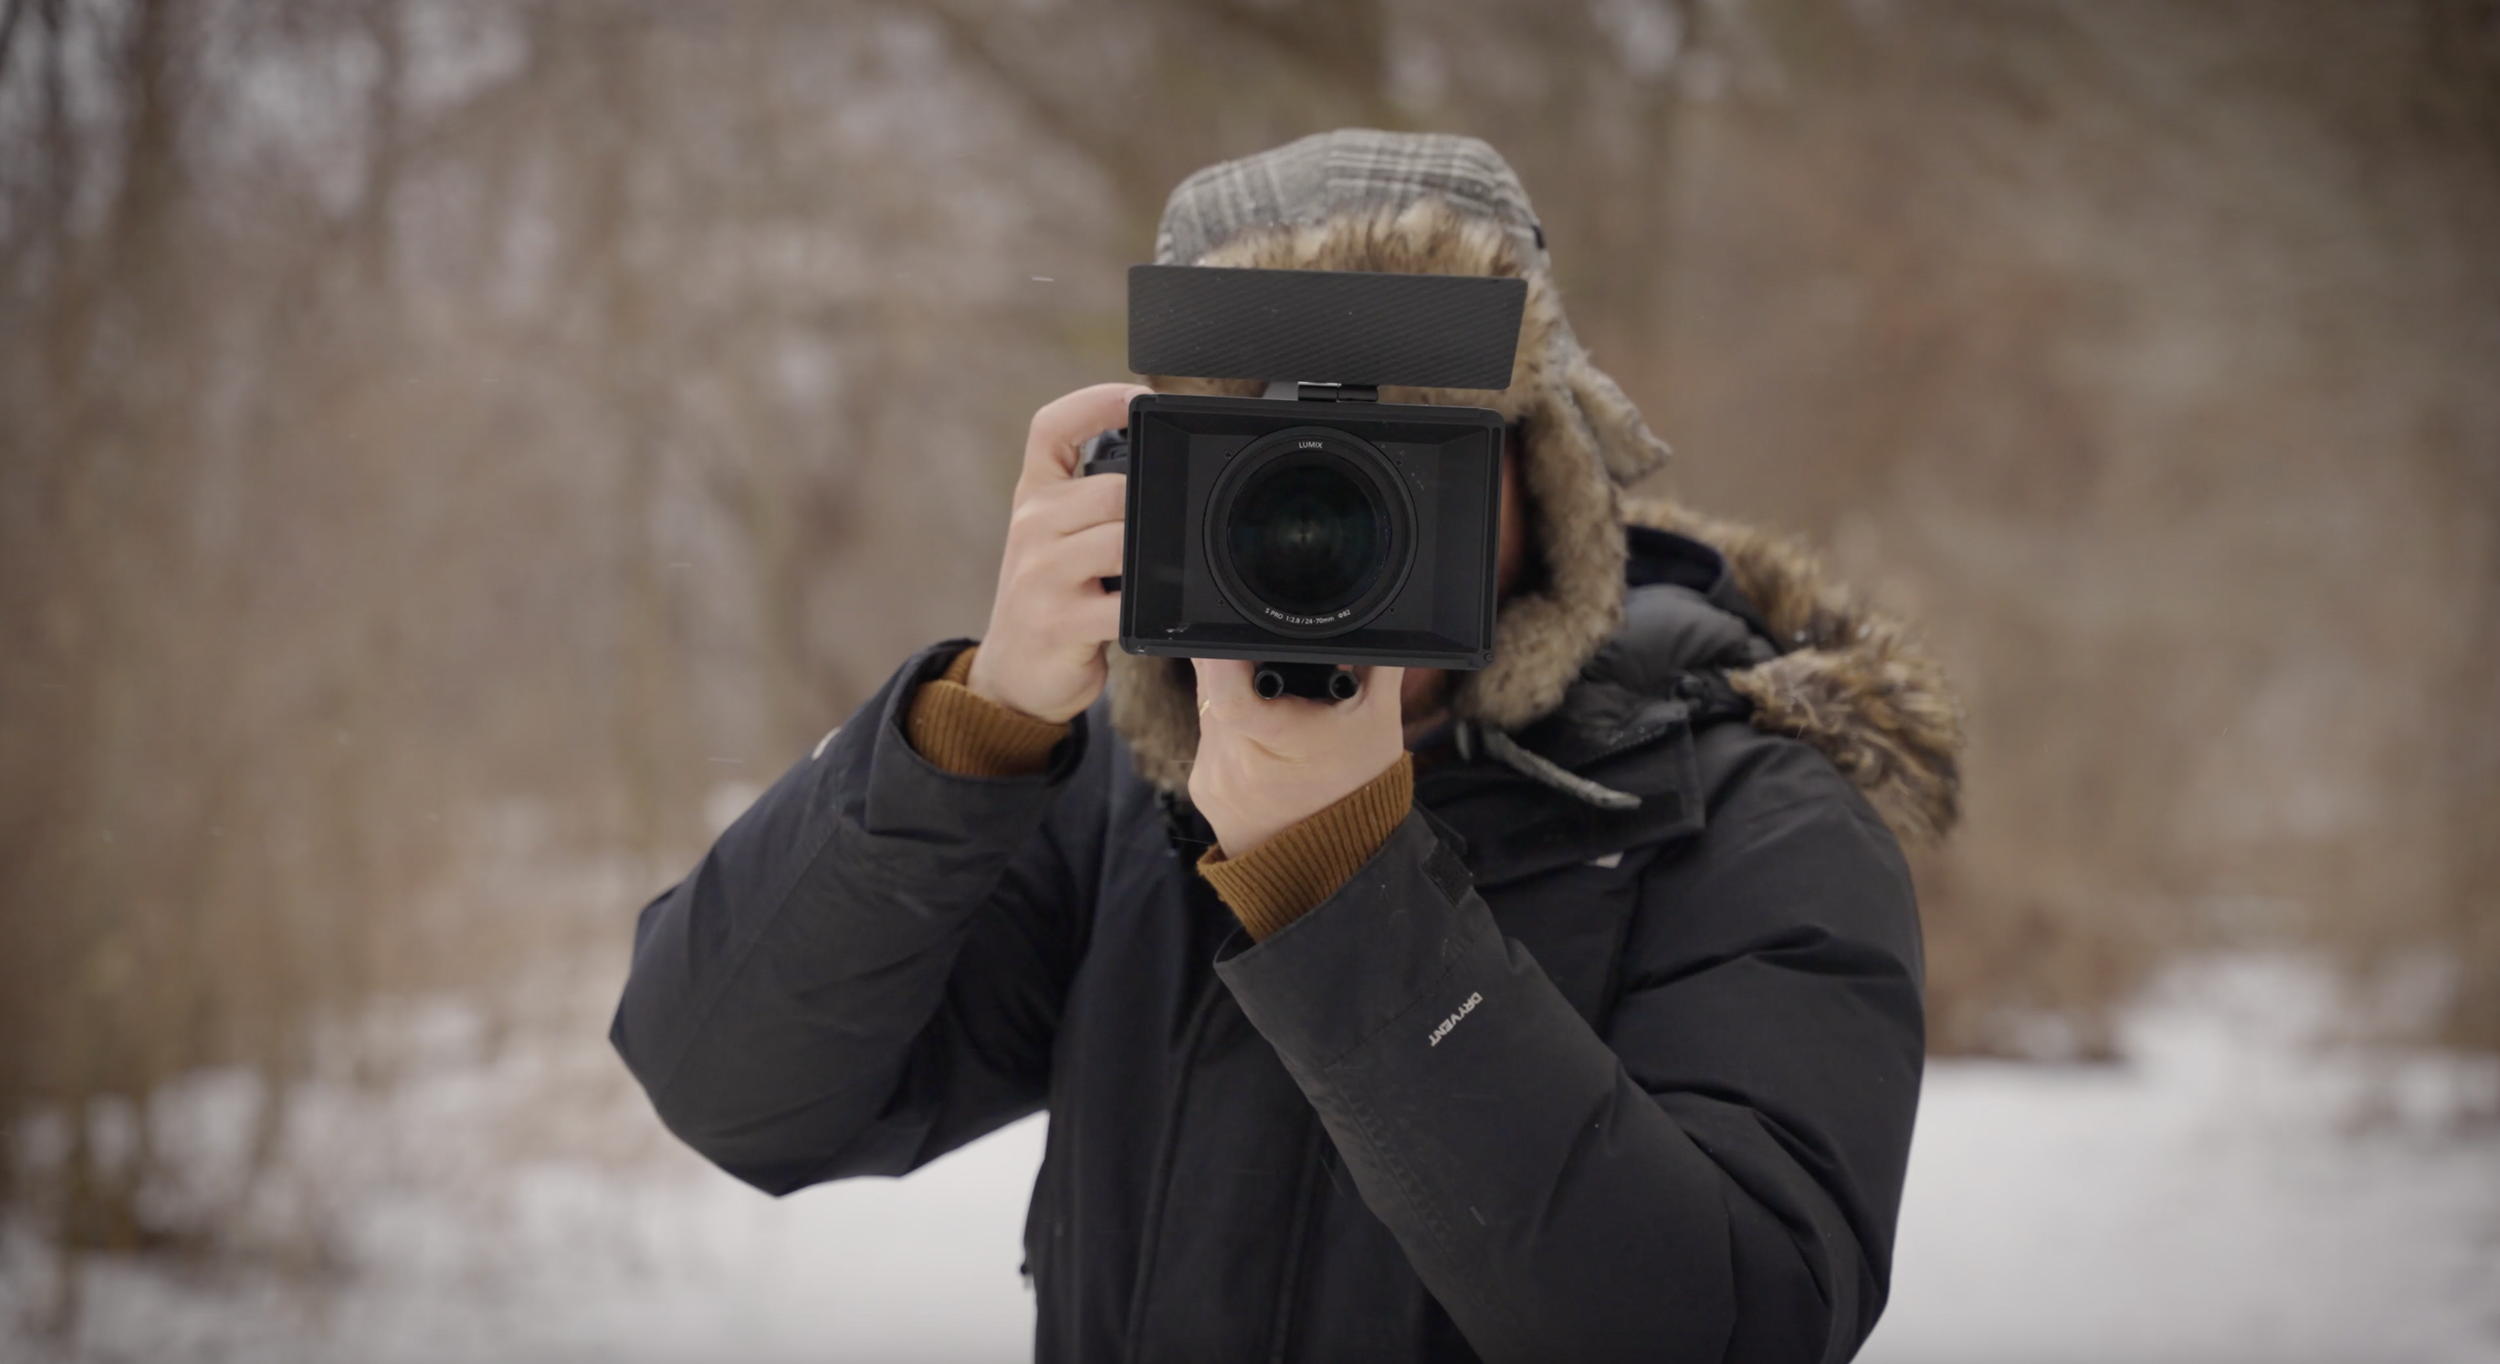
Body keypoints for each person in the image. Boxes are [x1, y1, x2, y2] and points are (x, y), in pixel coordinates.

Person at [611, 130, 1963, 1364]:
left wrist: (1340, 878)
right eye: (1269, 463)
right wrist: (978, 731)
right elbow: (734, 1093)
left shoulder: (1745, 809)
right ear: (1159, 490)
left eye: (1410, 456)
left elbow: (1738, 1329)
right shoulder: (1124, 796)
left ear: (1537, 469)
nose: (1333, 520)